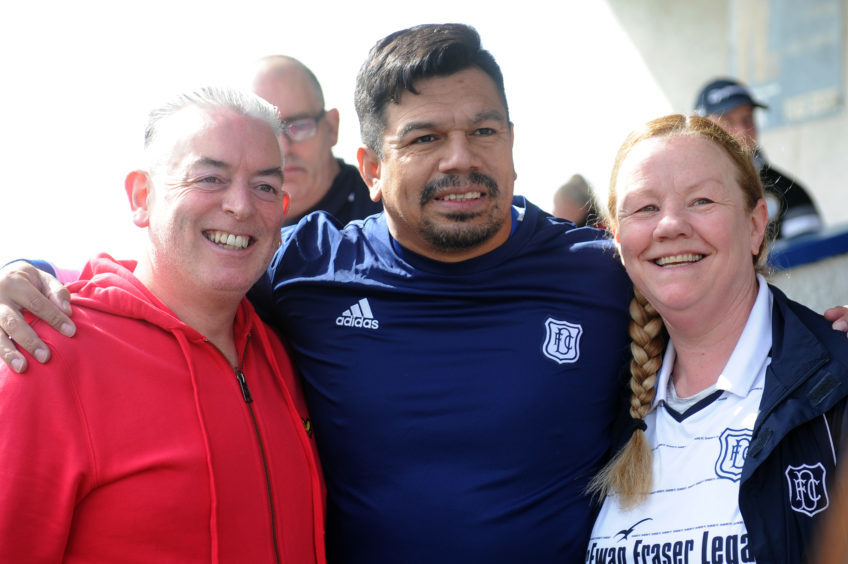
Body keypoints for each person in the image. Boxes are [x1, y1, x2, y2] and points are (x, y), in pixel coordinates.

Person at [2, 25, 848, 564]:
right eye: (425, 138)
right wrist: (24, 282)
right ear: (368, 168)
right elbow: (171, 271)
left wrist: (827, 349)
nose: (460, 158)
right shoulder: (299, 269)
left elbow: (714, 295)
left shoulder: (599, 272)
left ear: (514, 145)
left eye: (484, 130)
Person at [0, 87, 326, 563]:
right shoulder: (45, 355)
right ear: (142, 196)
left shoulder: (284, 349)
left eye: (265, 186)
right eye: (210, 178)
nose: (240, 205)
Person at [587, 114, 848, 564]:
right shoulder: (593, 404)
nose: (670, 225)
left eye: (701, 200)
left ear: (754, 225)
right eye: (645, 208)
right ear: (616, 240)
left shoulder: (837, 382)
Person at [250, 55, 381, 226]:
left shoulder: (390, 225)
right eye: (264, 132)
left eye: (298, 126)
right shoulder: (228, 228)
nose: (283, 148)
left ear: (332, 128)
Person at [694, 77, 823, 240]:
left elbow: (807, 259)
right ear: (701, 129)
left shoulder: (789, 193)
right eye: (727, 121)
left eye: (747, 119)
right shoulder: (683, 193)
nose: (742, 130)